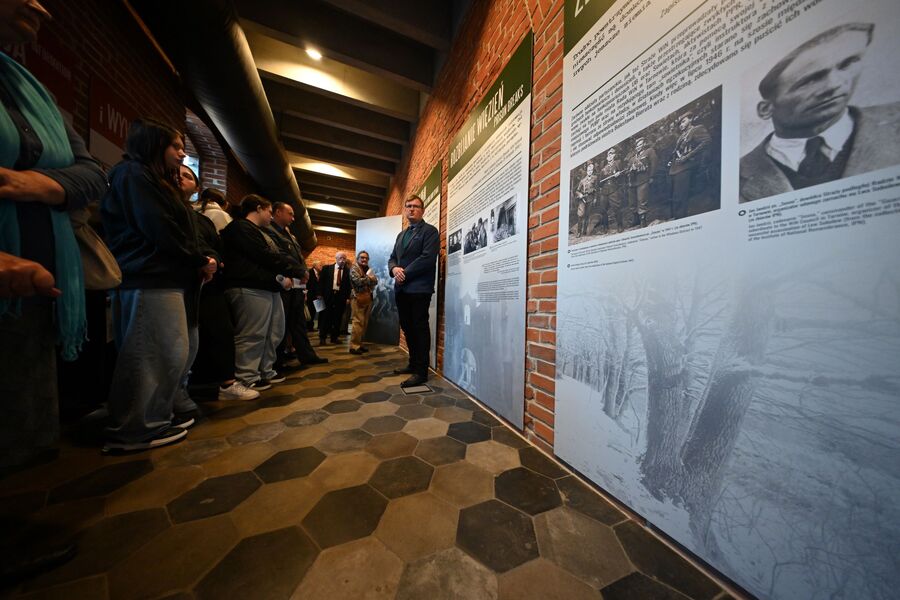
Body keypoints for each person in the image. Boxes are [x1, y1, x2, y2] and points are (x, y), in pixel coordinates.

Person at [0, 0, 108, 471]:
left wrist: (39, 185)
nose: (41, 7)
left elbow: (92, 173)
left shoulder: (33, 91)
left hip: (42, 280)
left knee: (23, 424)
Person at [102, 118, 217, 451]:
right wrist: (197, 259)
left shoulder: (149, 178)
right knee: (148, 352)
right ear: (154, 144)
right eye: (176, 146)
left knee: (167, 351)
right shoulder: (134, 175)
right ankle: (134, 428)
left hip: (162, 275)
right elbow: (159, 227)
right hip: (147, 274)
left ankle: (153, 418)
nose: (182, 154)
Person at [739, 23, 900, 203]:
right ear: (766, 109)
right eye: (810, 80)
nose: (835, 85)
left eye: (846, 64)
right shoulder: (736, 175)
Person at [179, 170, 259, 401]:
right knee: (217, 333)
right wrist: (210, 259)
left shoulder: (199, 217)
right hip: (203, 280)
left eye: (187, 174)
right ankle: (225, 383)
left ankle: (186, 390)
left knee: (196, 337)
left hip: (203, 276)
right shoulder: (220, 218)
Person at [221, 194, 293, 391]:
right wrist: (292, 271)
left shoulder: (261, 232)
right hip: (249, 286)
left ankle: (264, 370)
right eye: (270, 211)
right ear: (259, 208)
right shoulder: (240, 228)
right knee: (252, 334)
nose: (271, 216)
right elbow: (264, 257)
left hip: (268, 287)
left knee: (273, 332)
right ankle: (246, 375)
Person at [389, 194, 439, 387]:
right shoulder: (401, 235)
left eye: (416, 206)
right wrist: (394, 269)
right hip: (402, 290)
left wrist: (404, 273)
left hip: (419, 289)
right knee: (407, 327)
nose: (411, 209)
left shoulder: (430, 232)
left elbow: (427, 258)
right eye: (408, 206)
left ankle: (421, 371)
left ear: (422, 210)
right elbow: (392, 257)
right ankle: (412, 363)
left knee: (419, 329)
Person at [268, 201, 327, 367]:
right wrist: (301, 271)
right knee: (280, 325)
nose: (293, 218)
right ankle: (276, 362)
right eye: (290, 214)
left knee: (298, 323)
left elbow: (298, 258)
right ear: (278, 212)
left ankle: (307, 356)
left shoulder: (289, 235)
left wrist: (303, 272)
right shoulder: (270, 231)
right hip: (283, 285)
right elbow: (279, 256)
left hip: (296, 286)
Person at [668, 113, 711, 219]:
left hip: (686, 167)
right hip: (676, 168)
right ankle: (677, 218)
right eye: (679, 124)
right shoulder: (682, 136)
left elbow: (706, 141)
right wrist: (670, 161)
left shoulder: (696, 129)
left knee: (680, 196)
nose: (681, 125)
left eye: (683, 121)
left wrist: (687, 157)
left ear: (690, 119)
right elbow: (678, 151)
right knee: (675, 196)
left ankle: (680, 219)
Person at [317, 251, 350, 345]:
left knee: (337, 318)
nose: (342, 260)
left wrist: (347, 297)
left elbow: (348, 286)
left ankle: (334, 337)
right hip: (328, 296)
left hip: (341, 297)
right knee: (325, 317)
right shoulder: (327, 268)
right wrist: (319, 294)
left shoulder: (348, 271)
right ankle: (322, 338)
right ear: (336, 258)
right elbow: (321, 283)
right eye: (340, 258)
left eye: (344, 258)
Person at [348, 250, 377, 355]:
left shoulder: (367, 268)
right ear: (358, 258)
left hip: (367, 297)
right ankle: (354, 346)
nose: (364, 259)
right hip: (357, 298)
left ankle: (359, 344)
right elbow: (358, 282)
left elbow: (376, 281)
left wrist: (368, 278)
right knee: (358, 322)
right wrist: (369, 277)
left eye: (366, 258)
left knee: (364, 323)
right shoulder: (354, 268)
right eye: (362, 257)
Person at [628, 136, 658, 227]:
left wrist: (652, 176)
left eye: (640, 144)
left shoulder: (649, 151)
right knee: (632, 202)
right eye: (637, 145)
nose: (638, 146)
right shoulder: (632, 158)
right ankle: (636, 219)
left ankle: (643, 220)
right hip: (633, 181)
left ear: (644, 144)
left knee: (642, 200)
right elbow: (629, 170)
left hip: (643, 179)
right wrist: (631, 170)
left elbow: (654, 164)